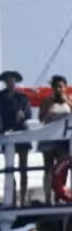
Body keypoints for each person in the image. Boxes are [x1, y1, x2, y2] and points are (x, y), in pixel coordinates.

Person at [38, 75, 72, 200]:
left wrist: (66, 101)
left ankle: (60, 195)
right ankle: (47, 196)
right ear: (52, 88)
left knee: (64, 168)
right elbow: (41, 118)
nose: (59, 89)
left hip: (65, 139)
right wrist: (48, 109)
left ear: (65, 88)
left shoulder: (70, 98)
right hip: (49, 138)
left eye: (61, 87)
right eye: (56, 87)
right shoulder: (47, 100)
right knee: (48, 168)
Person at [0, 69, 33, 206]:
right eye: (8, 80)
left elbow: (29, 113)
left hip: (21, 134)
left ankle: (23, 198)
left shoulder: (22, 98)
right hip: (7, 135)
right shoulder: (0, 97)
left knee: (23, 168)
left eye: (12, 80)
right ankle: (12, 197)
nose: (10, 83)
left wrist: (23, 114)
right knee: (10, 168)